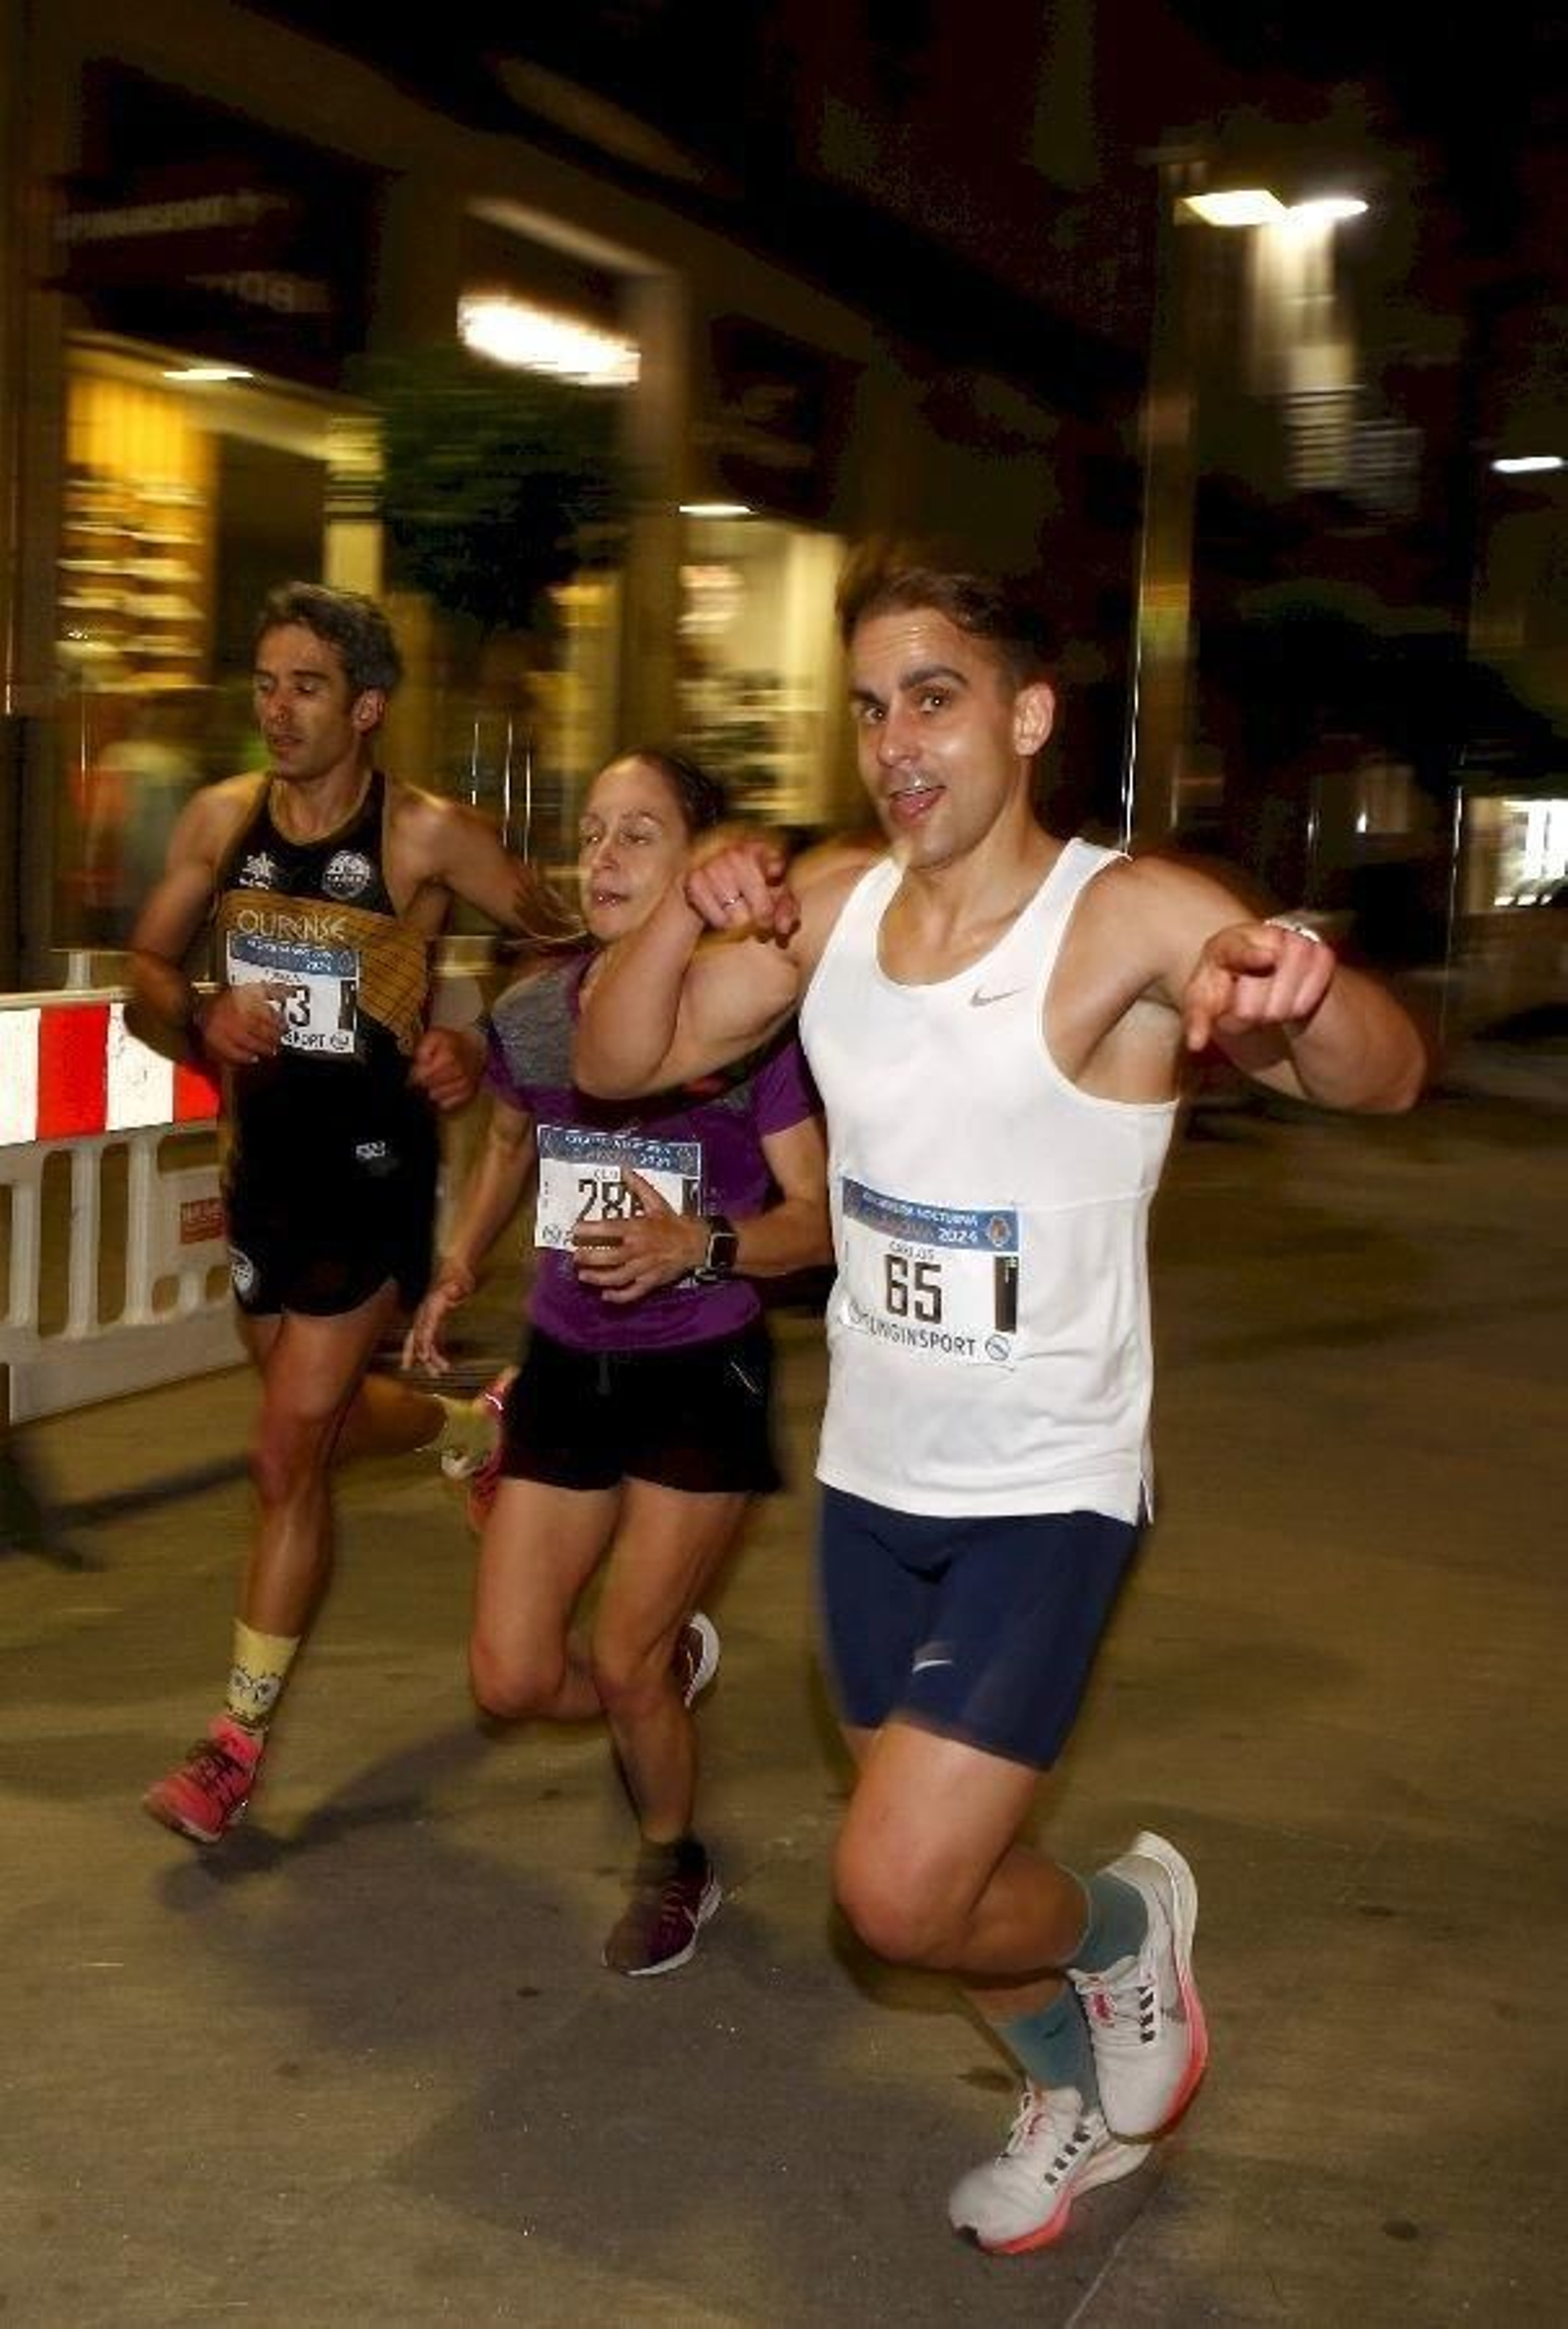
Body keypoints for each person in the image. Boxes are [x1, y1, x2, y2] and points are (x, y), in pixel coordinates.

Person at [573, 553, 1428, 2246]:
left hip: (1049, 1482)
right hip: (878, 1476)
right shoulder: (825, 908)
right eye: (874, 705)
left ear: (1027, 716)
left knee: (894, 1890)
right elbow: (613, 1061)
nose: (898, 740)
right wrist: (687, 901)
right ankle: (1070, 2075)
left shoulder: (1127, 915)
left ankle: (1115, 1937)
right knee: (938, 1889)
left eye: (937, 697)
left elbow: (1384, 1079)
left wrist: (1302, 999)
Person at [128, 581, 566, 1847]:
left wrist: (478, 1043)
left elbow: (559, 941)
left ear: (366, 707)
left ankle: (233, 1746)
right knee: (308, 1427)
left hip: (375, 1169)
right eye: (266, 682)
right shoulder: (223, 819)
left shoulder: (426, 836)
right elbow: (147, 971)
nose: (279, 708)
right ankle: (464, 1433)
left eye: (307, 686)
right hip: (262, 1162)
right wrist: (197, 1009)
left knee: (282, 1450)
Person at [402, 745, 831, 1977]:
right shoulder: (544, 1008)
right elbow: (511, 1137)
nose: (604, 858)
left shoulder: (753, 1027)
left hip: (703, 1370)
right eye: (593, 833)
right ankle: (662, 1679)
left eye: (641, 834)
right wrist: (455, 1265)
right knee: (513, 1678)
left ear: (700, 863)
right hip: (567, 1359)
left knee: (627, 1656)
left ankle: (670, 1856)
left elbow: (815, 1222)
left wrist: (701, 1243)